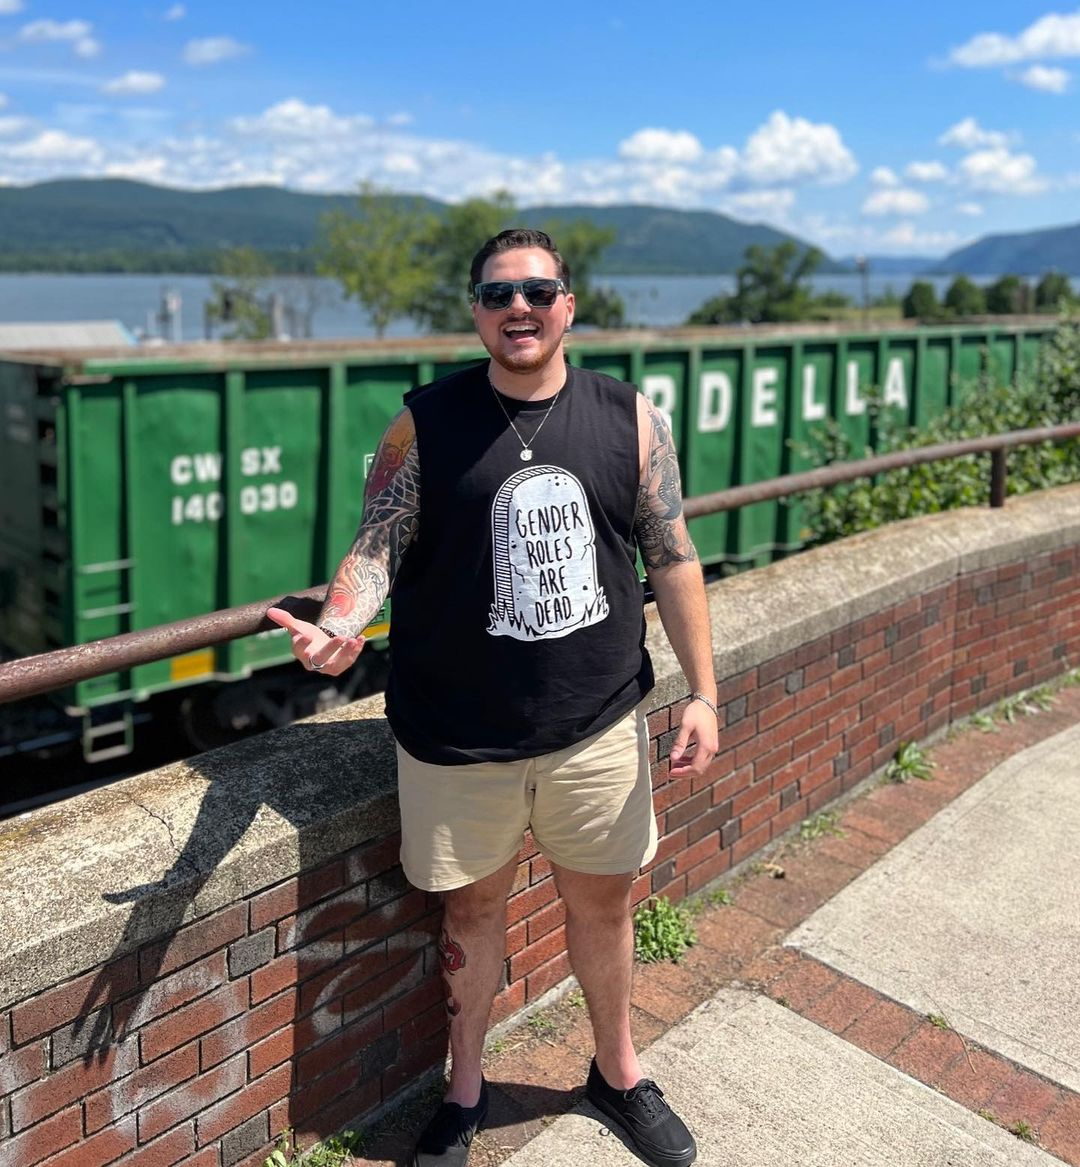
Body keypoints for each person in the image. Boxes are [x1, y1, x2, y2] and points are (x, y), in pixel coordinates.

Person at [268, 228, 718, 1167]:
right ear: (476, 310)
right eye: (498, 293)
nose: (520, 307)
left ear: (569, 304)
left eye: (539, 290)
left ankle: (618, 1072)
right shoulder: (422, 423)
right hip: (456, 737)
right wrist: (343, 618)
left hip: (596, 724)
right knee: (470, 917)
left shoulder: (631, 418)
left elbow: (673, 556)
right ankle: (463, 1088)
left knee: (603, 906)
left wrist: (704, 693)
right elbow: (378, 542)